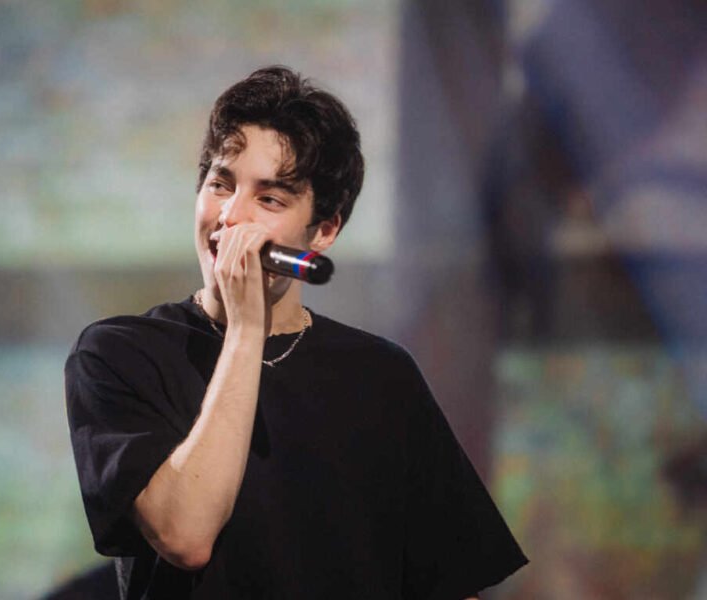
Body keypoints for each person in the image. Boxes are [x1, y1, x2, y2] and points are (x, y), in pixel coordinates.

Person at [65, 66, 527, 599]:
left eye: (269, 199)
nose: (230, 217)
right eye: (220, 184)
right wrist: (246, 328)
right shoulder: (120, 354)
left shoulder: (380, 376)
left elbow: (449, 585)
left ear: (323, 230)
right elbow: (184, 536)